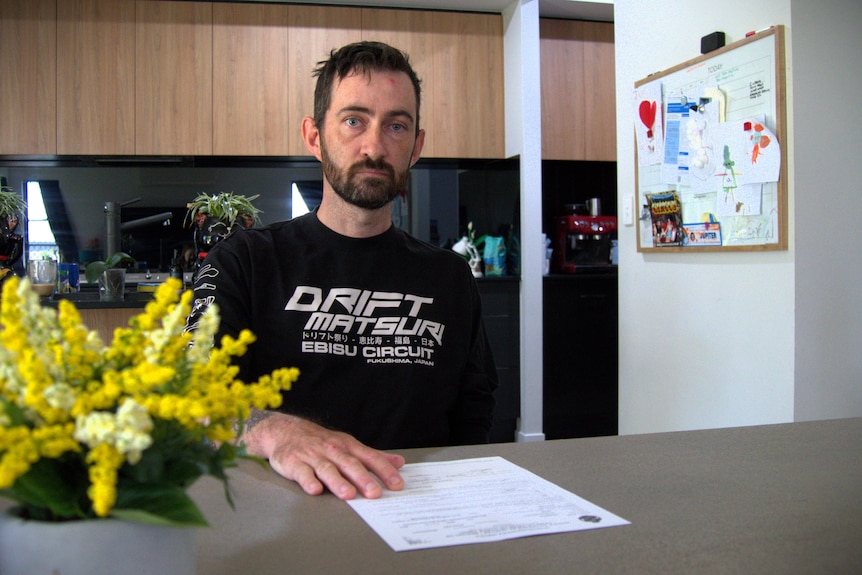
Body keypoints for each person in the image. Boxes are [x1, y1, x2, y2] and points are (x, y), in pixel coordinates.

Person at [185, 41, 498, 501]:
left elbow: (475, 416)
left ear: (416, 146)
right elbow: (189, 395)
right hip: (282, 513)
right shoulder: (241, 262)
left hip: (417, 509)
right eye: (354, 121)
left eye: (396, 126)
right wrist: (277, 433)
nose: (375, 147)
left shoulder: (450, 277)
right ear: (314, 137)